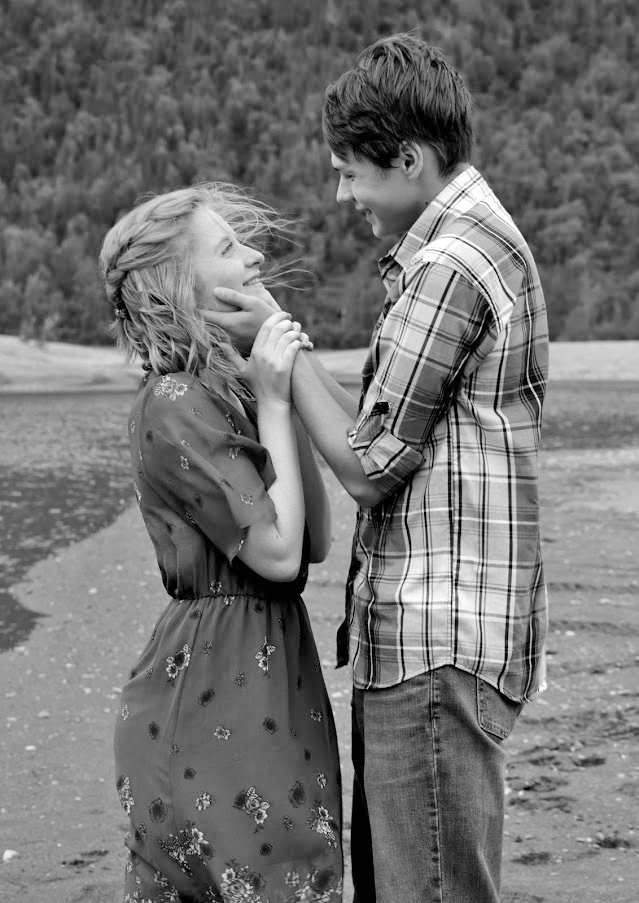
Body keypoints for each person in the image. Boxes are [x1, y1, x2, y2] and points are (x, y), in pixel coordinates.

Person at [204, 33, 549, 903]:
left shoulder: (449, 263)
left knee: (424, 889)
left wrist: (270, 347)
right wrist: (281, 334)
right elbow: (379, 427)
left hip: (436, 632)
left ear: (410, 158)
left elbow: (365, 464)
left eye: (351, 171)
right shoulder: (461, 243)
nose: (340, 192)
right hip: (438, 633)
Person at [99, 183, 343, 903]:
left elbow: (312, 541)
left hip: (266, 680)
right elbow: (272, 552)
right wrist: (270, 399)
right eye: (231, 248)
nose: (256, 255)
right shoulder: (173, 402)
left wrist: (280, 392)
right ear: (179, 284)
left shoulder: (222, 390)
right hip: (211, 695)